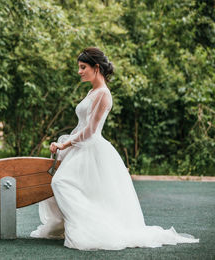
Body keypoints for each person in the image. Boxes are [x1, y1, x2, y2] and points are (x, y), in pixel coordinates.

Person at [30, 47, 199, 250]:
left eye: (83, 67)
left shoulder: (104, 95)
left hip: (92, 149)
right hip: (80, 148)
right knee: (76, 187)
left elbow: (91, 131)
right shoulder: (92, 91)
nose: (79, 72)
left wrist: (64, 143)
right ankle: (67, 226)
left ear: (97, 67)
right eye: (79, 68)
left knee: (60, 182)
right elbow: (82, 126)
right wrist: (64, 145)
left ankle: (89, 229)